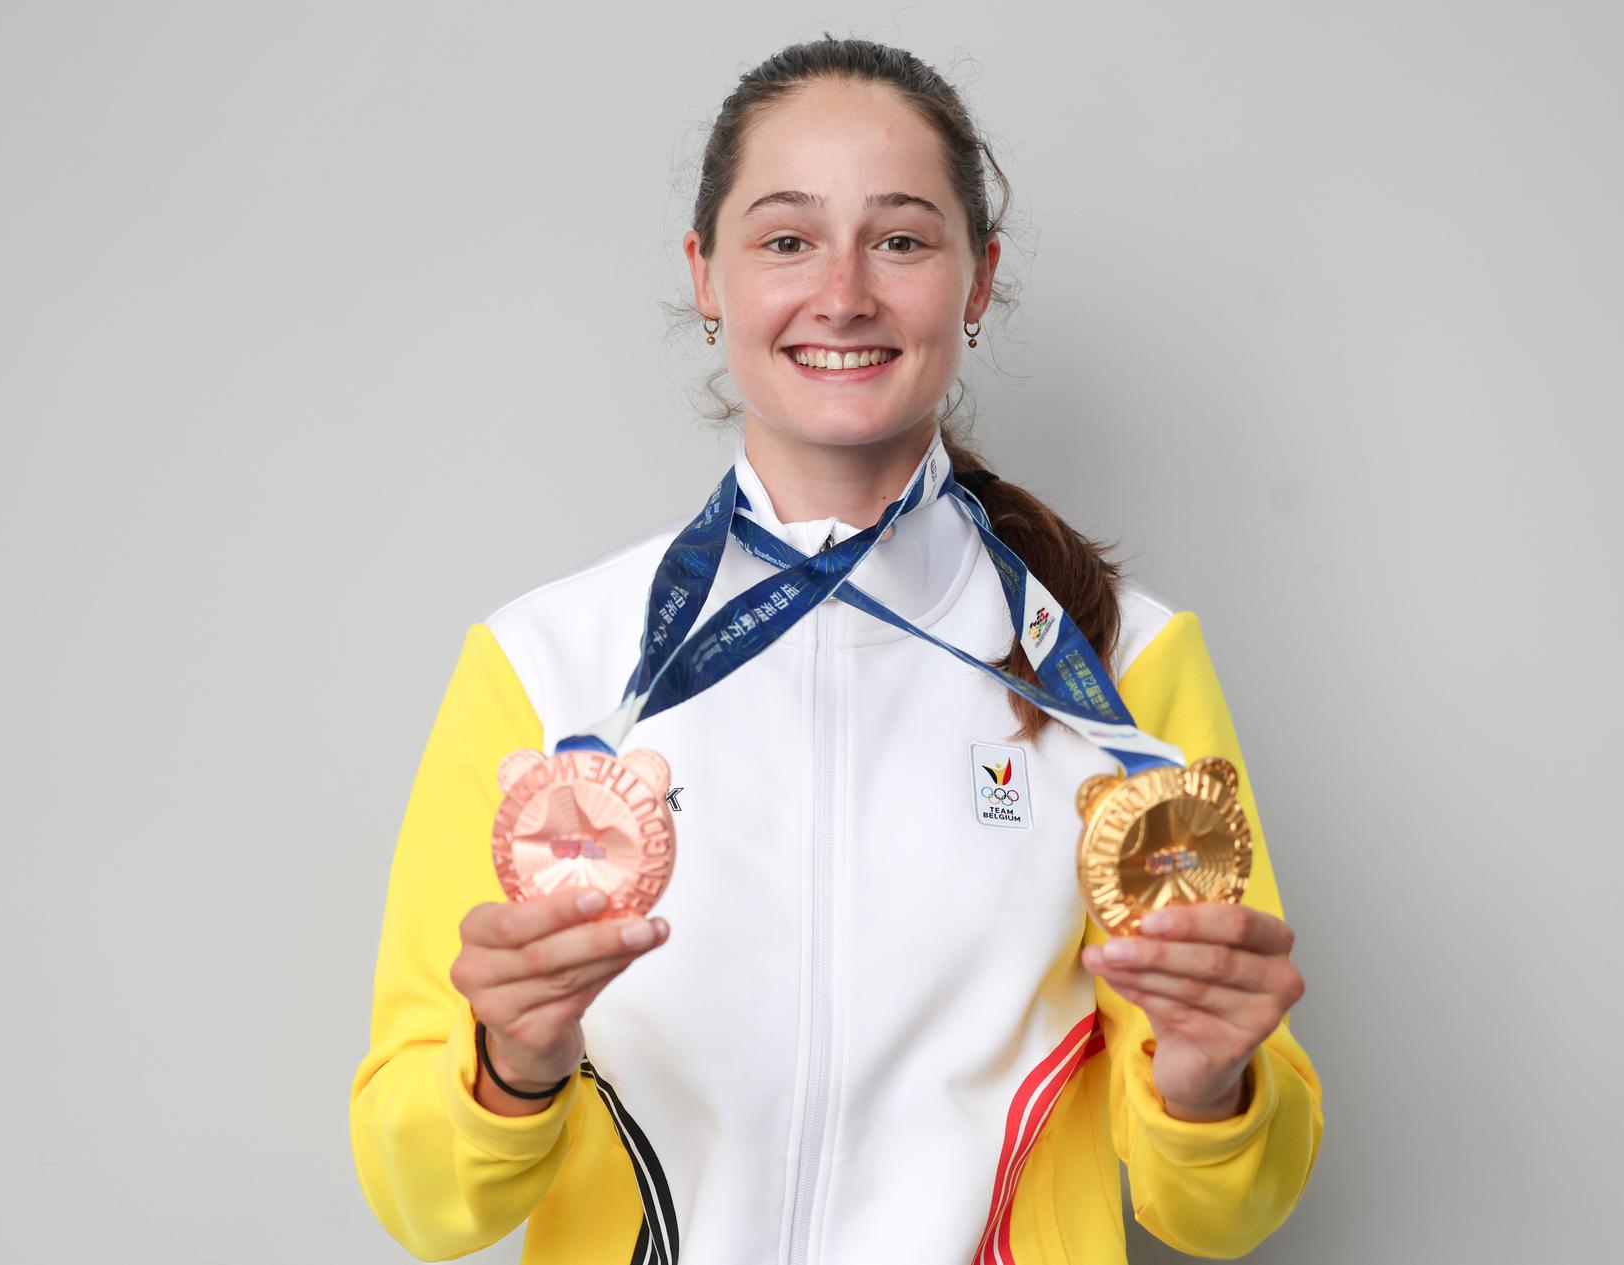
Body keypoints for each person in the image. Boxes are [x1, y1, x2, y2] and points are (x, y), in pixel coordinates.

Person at [349, 34, 1323, 1264]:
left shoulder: (1122, 659)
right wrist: (510, 1065)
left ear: (978, 280)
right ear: (707, 274)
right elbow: (425, 1200)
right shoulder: (547, 660)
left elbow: (1227, 1209)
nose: (846, 291)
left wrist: (1209, 1086)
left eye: (904, 238)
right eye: (788, 237)